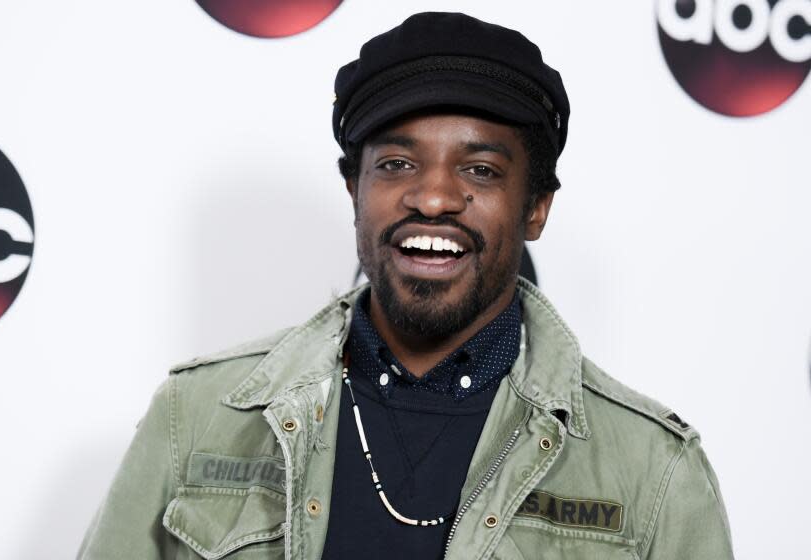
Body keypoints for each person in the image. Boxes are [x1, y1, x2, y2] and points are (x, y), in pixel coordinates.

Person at [79, 12, 734, 559]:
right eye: (397, 164)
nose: (433, 196)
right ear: (355, 191)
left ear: (535, 208)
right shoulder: (195, 417)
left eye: (479, 170)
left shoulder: (655, 472)